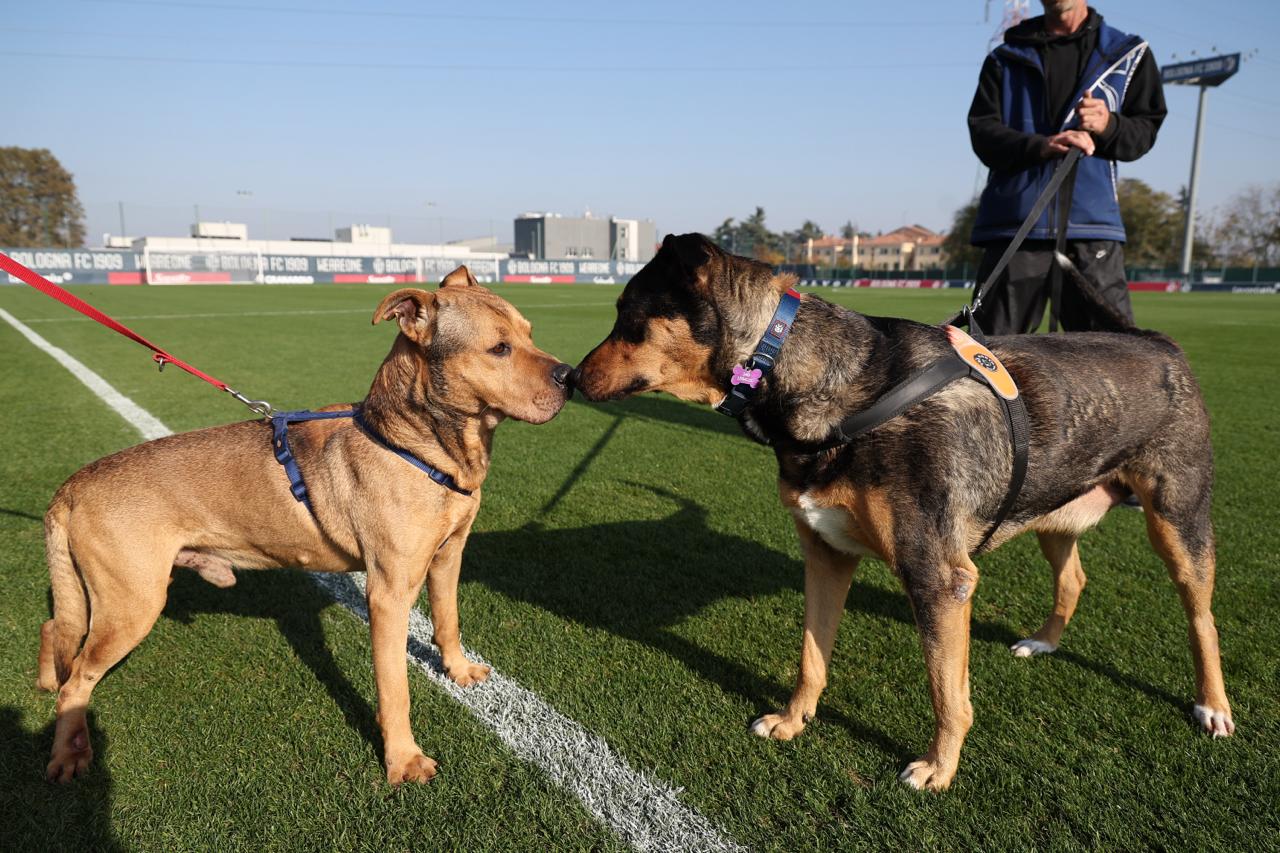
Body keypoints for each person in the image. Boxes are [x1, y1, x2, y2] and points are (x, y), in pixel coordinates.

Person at [967, 1, 1167, 334]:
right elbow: (983, 133)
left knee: (1111, 362)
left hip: (1092, 226)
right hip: (1017, 226)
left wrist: (1108, 125)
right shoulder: (1003, 58)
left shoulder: (1129, 54)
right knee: (989, 360)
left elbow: (1144, 132)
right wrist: (1039, 146)